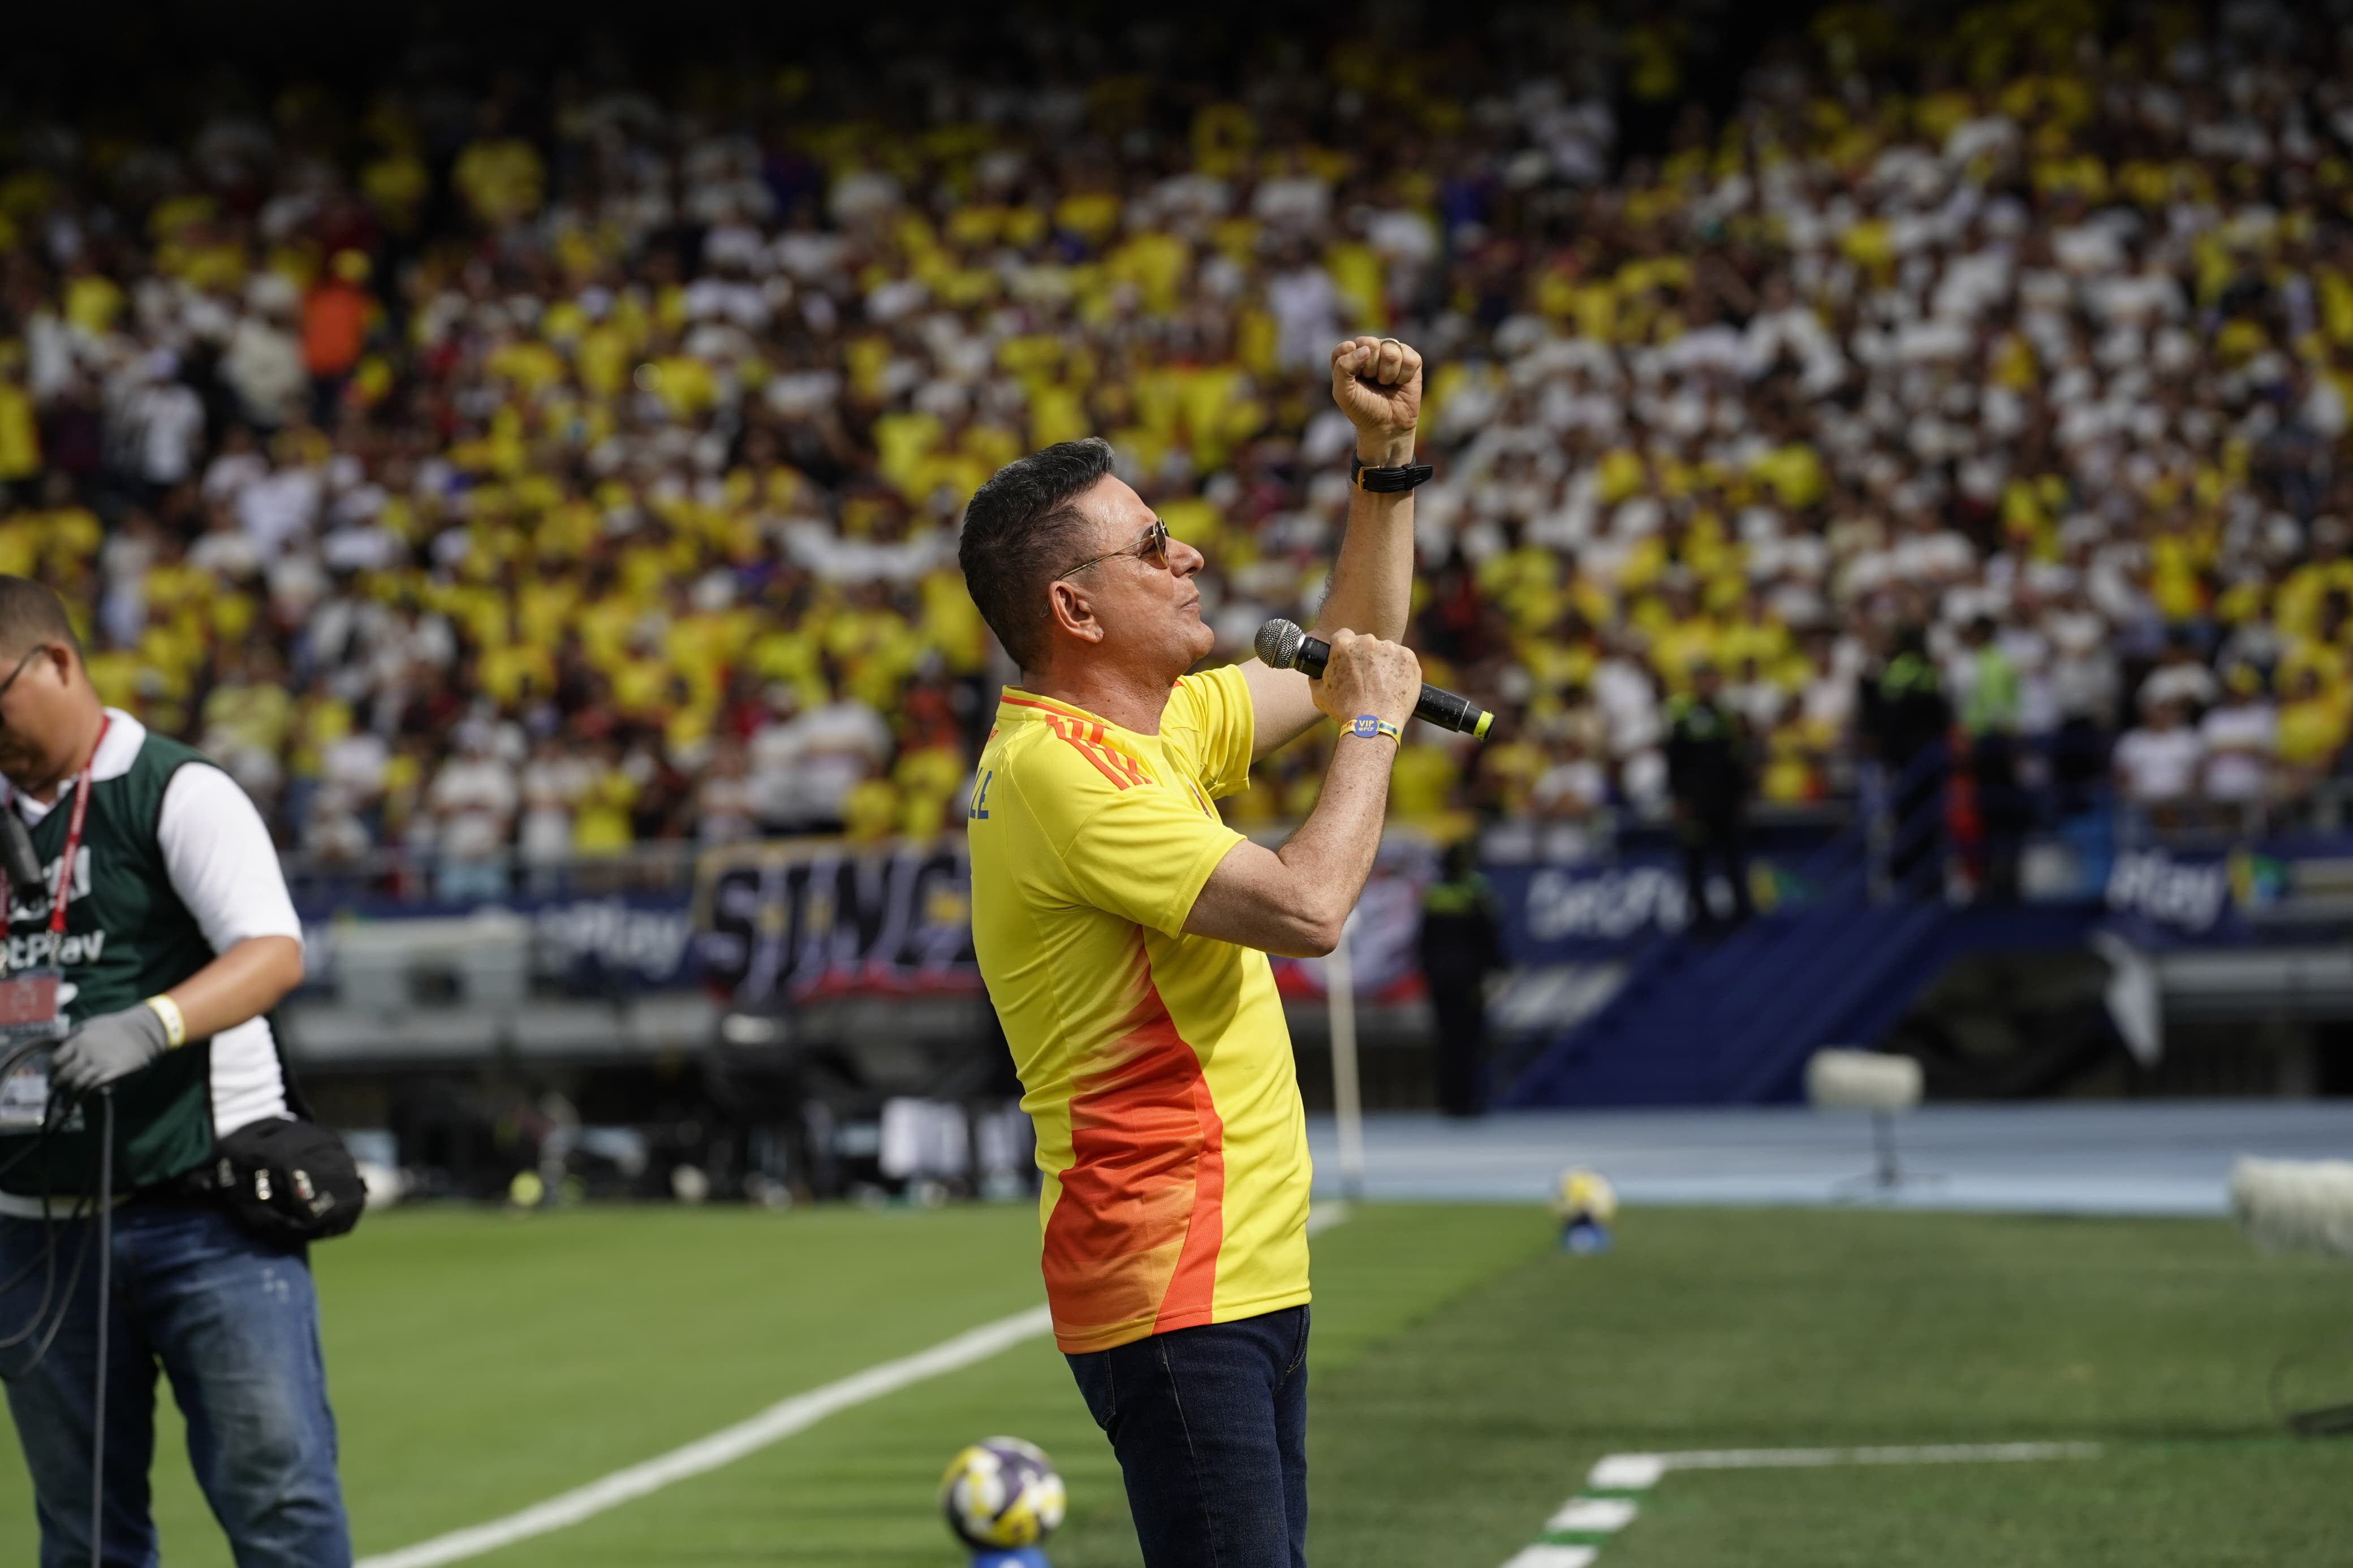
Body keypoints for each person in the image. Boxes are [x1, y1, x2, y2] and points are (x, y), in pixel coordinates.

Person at [959, 336, 1425, 1568]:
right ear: (1074, 607)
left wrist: (1384, 461)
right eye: (1153, 545)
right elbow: (1309, 909)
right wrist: (1374, 726)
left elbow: (1347, 639)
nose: (1191, 557)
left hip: (1244, 1266)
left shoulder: (1158, 726)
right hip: (1171, 1280)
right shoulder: (1062, 774)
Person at [0, 578, 348, 1566]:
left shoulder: (176, 787)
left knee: (278, 1496)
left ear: (57, 662)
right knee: (82, 1532)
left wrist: (152, 1024)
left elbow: (273, 950)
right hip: (34, 1226)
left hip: (204, 1210)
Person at [1664, 660, 1754, 932]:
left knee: (1732, 859)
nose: (1707, 684)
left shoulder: (1727, 717)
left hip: (1724, 802)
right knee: (1695, 863)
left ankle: (1742, 917)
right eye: (1702, 679)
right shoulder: (1684, 717)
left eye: (1711, 678)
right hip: (1696, 804)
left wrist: (1742, 796)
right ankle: (1701, 921)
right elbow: (1674, 762)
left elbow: (1736, 761)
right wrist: (1679, 799)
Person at [1416, 838, 1504, 1117]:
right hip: (1469, 979)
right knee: (1471, 1039)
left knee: (1446, 1040)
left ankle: (1448, 1102)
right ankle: (1470, 1103)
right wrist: (1499, 968)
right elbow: (1489, 937)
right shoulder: (1477, 893)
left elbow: (1424, 942)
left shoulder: (1434, 895)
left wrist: (1428, 972)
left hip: (1440, 980)